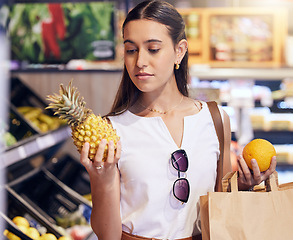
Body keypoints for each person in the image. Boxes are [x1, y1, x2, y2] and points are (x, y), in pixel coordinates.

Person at [80, 1, 277, 239]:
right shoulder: (112, 130)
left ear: (179, 51)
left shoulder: (215, 119)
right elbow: (107, 236)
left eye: (153, 49)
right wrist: (101, 179)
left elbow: (222, 206)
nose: (140, 61)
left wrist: (245, 185)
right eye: (131, 50)